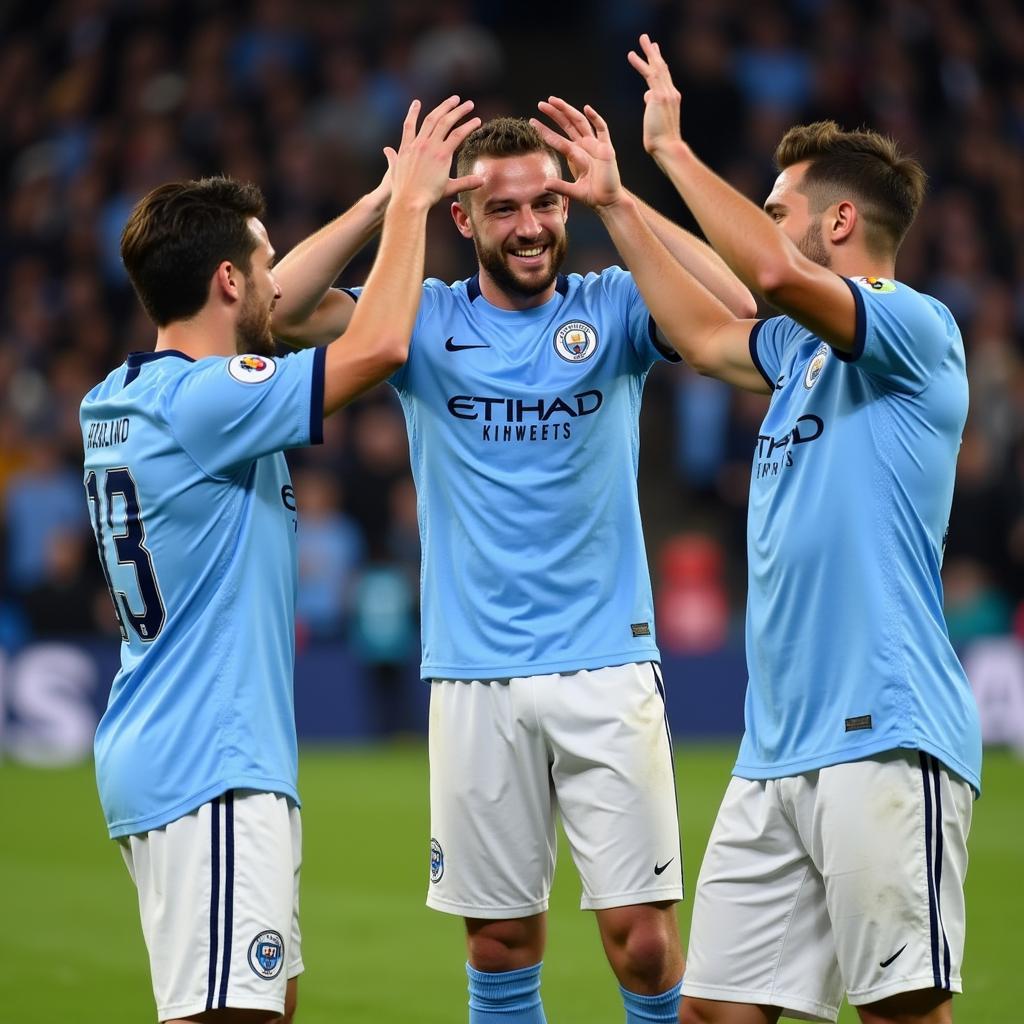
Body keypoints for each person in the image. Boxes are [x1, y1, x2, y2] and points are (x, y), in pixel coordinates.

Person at [530, 33, 982, 1024]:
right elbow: (701, 329)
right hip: (774, 747)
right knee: (713, 1014)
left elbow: (770, 275)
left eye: (777, 207)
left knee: (901, 1012)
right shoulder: (803, 358)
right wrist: (615, 201)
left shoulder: (914, 330)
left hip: (884, 732)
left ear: (842, 220)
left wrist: (675, 156)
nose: (764, 224)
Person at [271, 117, 756, 1022]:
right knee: (498, 942)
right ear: (463, 218)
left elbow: (744, 308)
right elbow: (276, 309)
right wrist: (389, 200)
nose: (531, 225)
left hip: (608, 662)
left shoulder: (611, 305)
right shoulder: (419, 319)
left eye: (546, 201)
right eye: (503, 209)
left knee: (645, 945)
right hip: (475, 671)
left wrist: (620, 198)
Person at [80, 95, 482, 1024]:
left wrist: (378, 199)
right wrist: (415, 209)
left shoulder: (123, 392)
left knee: (264, 1003)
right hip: (209, 761)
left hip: (179, 745)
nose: (278, 286)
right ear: (226, 280)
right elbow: (378, 343)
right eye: (262, 267)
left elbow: (280, 309)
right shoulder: (209, 402)